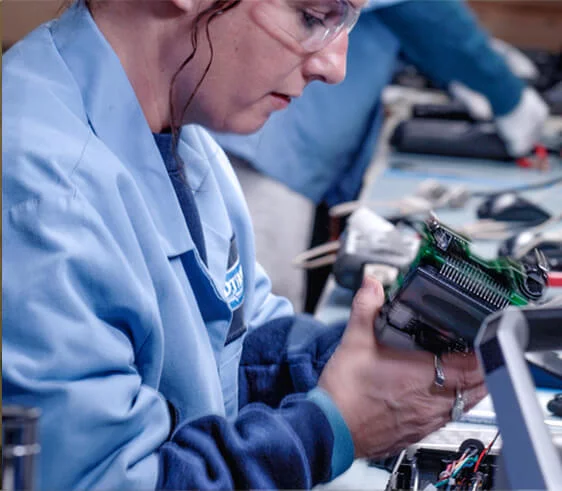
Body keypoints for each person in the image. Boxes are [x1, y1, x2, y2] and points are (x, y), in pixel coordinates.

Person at [2, 0, 487, 489]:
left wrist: (364, 361)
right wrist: (326, 430)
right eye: (313, 16)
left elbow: (231, 350)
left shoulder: (183, 137)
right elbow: (107, 480)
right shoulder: (42, 197)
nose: (334, 68)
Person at [213, 0, 550, 313]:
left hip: (279, 149)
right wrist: (505, 93)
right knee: (255, 319)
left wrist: (479, 61)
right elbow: (426, 10)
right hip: (263, 156)